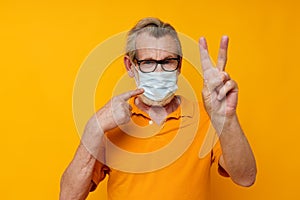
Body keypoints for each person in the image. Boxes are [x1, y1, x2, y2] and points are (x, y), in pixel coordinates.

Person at [60, 17, 257, 200]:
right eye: (148, 62)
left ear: (179, 65)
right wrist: (93, 128)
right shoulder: (110, 123)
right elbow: (69, 197)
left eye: (167, 61)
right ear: (130, 66)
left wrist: (226, 119)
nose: (159, 71)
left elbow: (246, 177)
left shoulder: (207, 117)